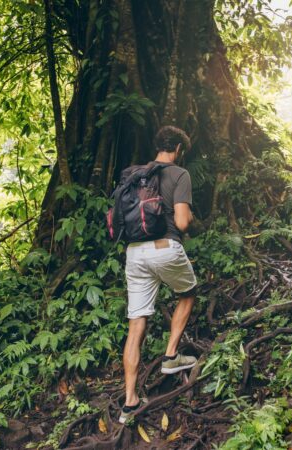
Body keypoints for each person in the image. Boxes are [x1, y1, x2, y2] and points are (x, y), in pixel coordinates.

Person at [119, 126, 198, 424]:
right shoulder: (179, 174)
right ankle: (170, 356)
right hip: (165, 246)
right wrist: (188, 216)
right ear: (177, 148)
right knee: (187, 293)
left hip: (134, 252)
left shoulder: (135, 173)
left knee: (136, 323)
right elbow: (182, 222)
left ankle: (129, 402)